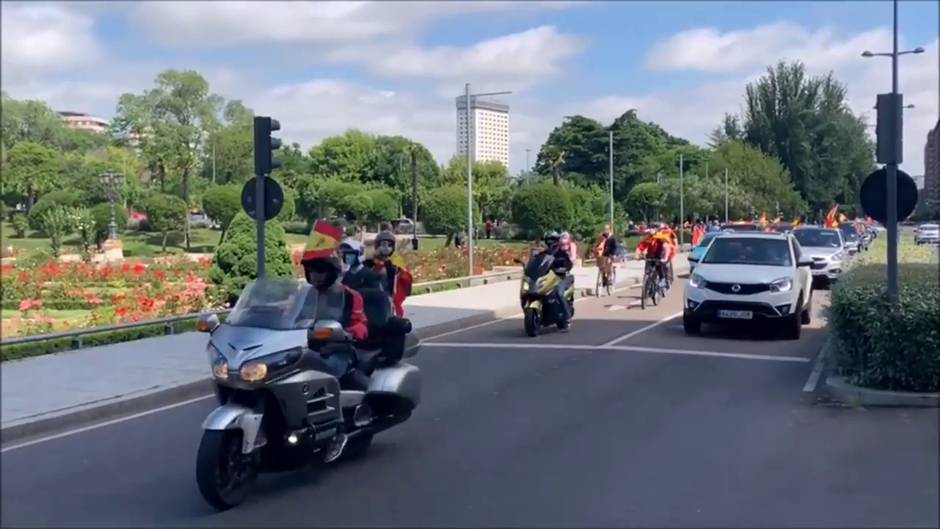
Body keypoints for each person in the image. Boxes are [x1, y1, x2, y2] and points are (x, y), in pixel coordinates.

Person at [299, 221, 371, 462]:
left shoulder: (349, 296)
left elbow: (361, 325)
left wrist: (347, 333)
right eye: (312, 270)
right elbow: (286, 317)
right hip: (305, 351)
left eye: (320, 270)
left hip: (338, 351)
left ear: (332, 270)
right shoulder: (302, 295)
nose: (316, 275)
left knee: (325, 378)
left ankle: (338, 430)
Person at [366, 230, 413, 318]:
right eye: (383, 244)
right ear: (377, 245)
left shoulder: (396, 261)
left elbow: (407, 278)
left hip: (390, 298)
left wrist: (400, 270)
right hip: (373, 299)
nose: (386, 248)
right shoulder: (369, 262)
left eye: (389, 245)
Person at [540, 231, 574, 331]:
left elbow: (569, 264)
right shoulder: (544, 254)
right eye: (548, 240)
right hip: (548, 278)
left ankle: (567, 318)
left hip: (562, 277)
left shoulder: (561, 253)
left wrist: (563, 268)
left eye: (552, 240)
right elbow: (537, 263)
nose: (550, 242)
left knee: (559, 293)